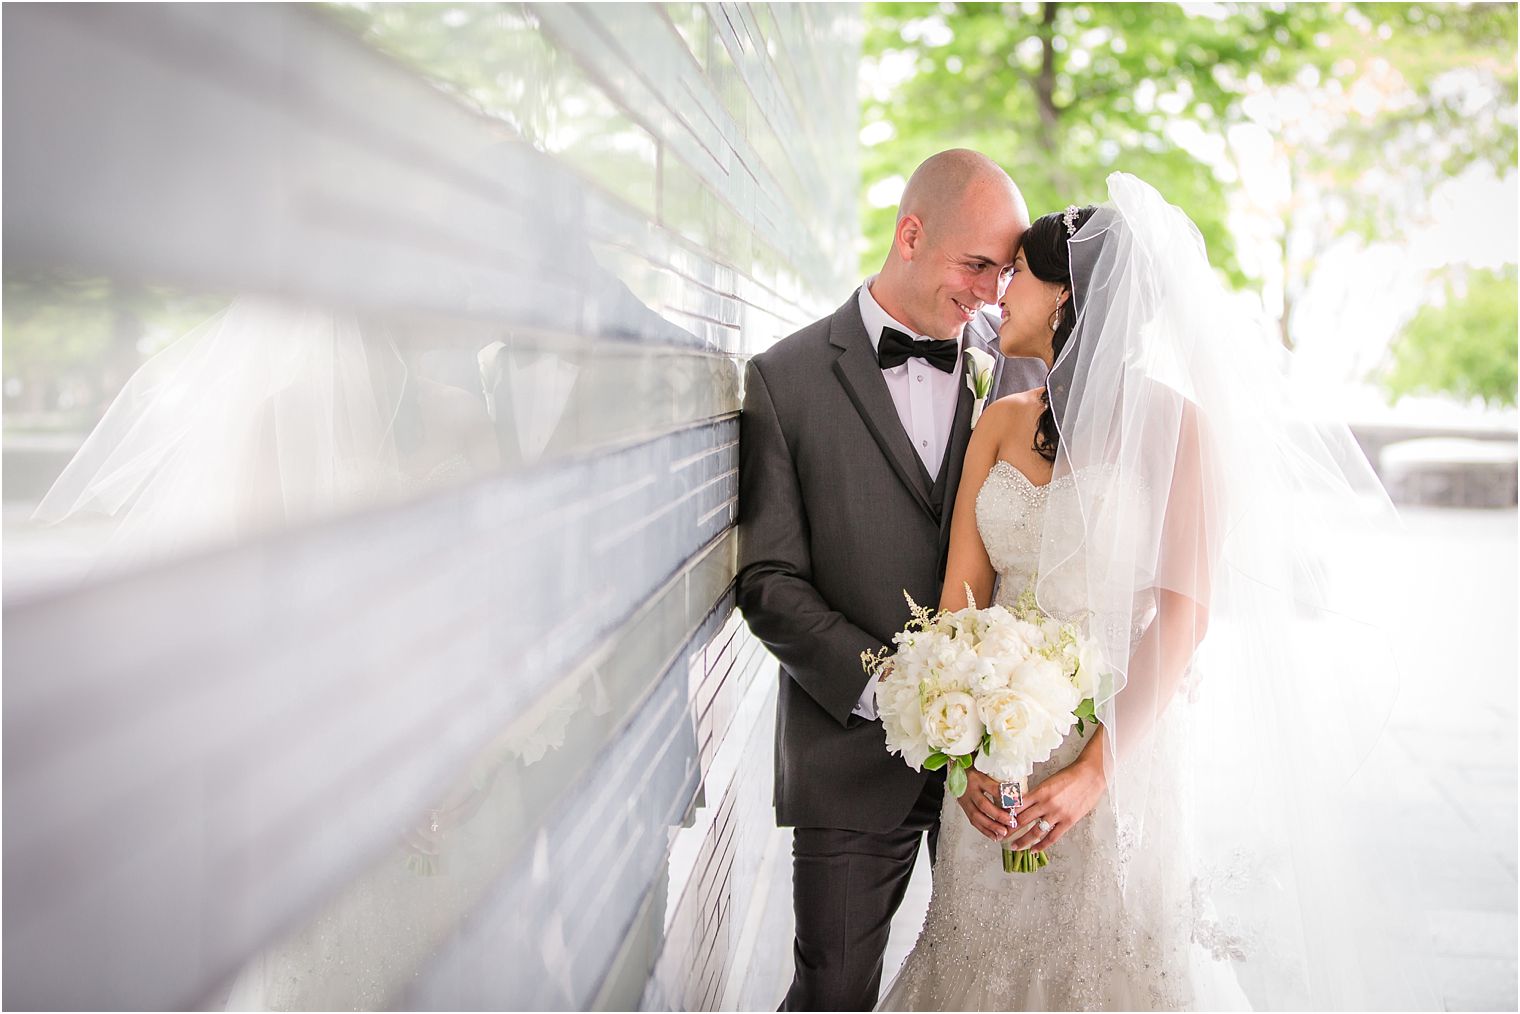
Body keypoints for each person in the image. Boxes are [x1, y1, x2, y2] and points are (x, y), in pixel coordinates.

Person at [877, 173, 1434, 1011]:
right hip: (996, 761)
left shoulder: (1178, 431)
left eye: (1018, 274)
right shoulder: (997, 419)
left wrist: (1097, 771)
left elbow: (1186, 615)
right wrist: (966, 754)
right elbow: (960, 601)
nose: (999, 292)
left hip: (1118, 750)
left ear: (1066, 295)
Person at [736, 148, 1045, 1011]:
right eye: (976, 265)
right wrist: (897, 689)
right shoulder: (784, 380)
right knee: (830, 996)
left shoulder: (1012, 374)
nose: (990, 294)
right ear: (911, 234)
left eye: (1003, 272)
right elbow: (767, 581)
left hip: (992, 772)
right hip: (846, 760)